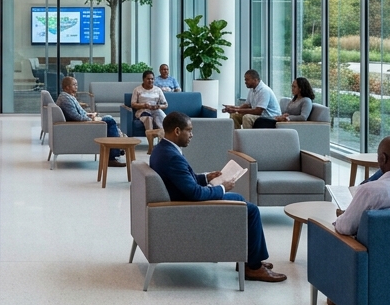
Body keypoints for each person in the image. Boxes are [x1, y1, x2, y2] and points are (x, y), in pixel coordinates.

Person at [150, 111, 286, 282]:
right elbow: (195, 193)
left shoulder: (162, 149)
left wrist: (206, 177)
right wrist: (222, 187)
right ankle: (253, 267)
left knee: (241, 201)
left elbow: (182, 180)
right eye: (189, 130)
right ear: (177, 131)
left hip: (182, 200)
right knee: (251, 210)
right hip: (188, 207)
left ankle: (250, 260)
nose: (192, 135)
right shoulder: (172, 157)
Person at [56, 75, 126, 167]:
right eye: (74, 85)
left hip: (84, 124)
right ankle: (114, 155)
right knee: (109, 120)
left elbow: (79, 113)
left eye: (76, 84)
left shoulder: (68, 97)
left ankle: (118, 147)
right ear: (67, 87)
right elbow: (76, 117)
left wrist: (89, 114)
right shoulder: (65, 99)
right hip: (83, 127)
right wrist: (92, 119)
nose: (76, 86)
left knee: (109, 119)